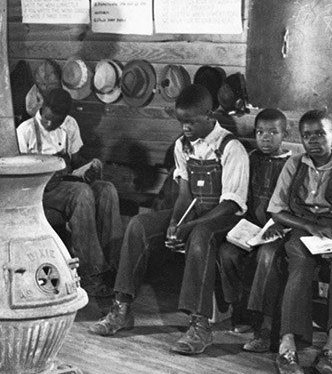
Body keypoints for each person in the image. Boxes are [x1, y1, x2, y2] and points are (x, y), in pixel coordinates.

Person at [91, 84, 249, 355]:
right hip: (196, 215)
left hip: (226, 220)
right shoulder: (182, 146)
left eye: (191, 122)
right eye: (181, 122)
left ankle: (200, 326)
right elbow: (184, 194)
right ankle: (122, 307)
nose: (185, 128)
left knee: (201, 236)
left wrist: (191, 227)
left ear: (210, 116)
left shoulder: (231, 148)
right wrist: (176, 222)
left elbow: (231, 204)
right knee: (139, 226)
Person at [265, 110, 332, 374]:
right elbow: (277, 210)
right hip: (303, 228)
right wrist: (310, 227)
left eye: (320, 134)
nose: (313, 140)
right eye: (307, 135)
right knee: (299, 265)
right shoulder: (294, 164)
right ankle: (287, 347)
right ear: (300, 138)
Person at [16, 88, 121, 294]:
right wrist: (45, 174)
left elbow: (75, 160)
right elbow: (20, 175)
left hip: (67, 181)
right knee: (81, 194)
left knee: (106, 190)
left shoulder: (70, 125)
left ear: (64, 118)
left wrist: (88, 169)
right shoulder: (25, 130)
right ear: (42, 108)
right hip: (40, 190)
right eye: (46, 119)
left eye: (55, 122)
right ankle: (90, 274)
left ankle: (114, 266)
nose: (48, 124)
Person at [216, 108, 291, 346]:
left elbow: (291, 207)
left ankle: (265, 324)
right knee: (227, 252)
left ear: (284, 134)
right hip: (250, 227)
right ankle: (240, 308)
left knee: (266, 257)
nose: (265, 138)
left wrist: (277, 226)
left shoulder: (292, 164)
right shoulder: (249, 159)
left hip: (278, 230)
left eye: (272, 132)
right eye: (260, 132)